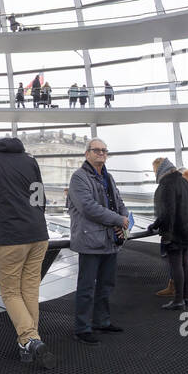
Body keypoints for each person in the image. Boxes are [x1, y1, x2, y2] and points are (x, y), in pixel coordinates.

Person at [0, 133, 52, 369]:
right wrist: (36, 222)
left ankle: (30, 338)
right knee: (29, 290)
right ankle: (26, 345)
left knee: (9, 292)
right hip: (39, 235)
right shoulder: (30, 160)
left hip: (11, 237)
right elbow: (40, 197)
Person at [66, 138, 130, 343]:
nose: (101, 153)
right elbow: (88, 207)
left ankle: (101, 321)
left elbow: (119, 202)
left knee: (106, 285)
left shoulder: (108, 177)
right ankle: (82, 328)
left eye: (104, 150)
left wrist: (123, 221)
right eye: (97, 150)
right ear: (87, 154)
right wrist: (119, 219)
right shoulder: (79, 178)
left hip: (109, 240)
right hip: (89, 241)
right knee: (87, 287)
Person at [151, 157, 188, 311]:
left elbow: (167, 211)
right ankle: (186, 296)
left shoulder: (166, 184)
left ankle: (178, 300)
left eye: (154, 170)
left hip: (175, 230)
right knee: (185, 263)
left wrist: (162, 230)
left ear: (159, 169)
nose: (154, 173)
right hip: (187, 229)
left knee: (176, 264)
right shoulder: (183, 181)